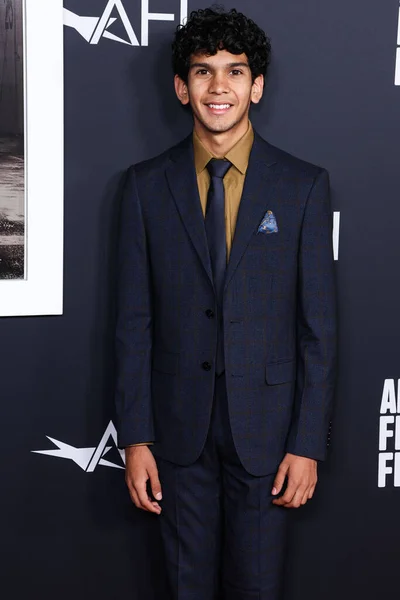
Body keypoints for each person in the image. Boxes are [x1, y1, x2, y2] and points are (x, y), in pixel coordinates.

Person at [115, 7, 337, 600]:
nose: (219, 87)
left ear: (256, 87)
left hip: (268, 435)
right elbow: (133, 324)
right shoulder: (143, 186)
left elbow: (318, 330)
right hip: (176, 435)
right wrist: (135, 439)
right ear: (181, 87)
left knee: (257, 588)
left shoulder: (303, 186)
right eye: (204, 71)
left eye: (235, 72)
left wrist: (307, 442)